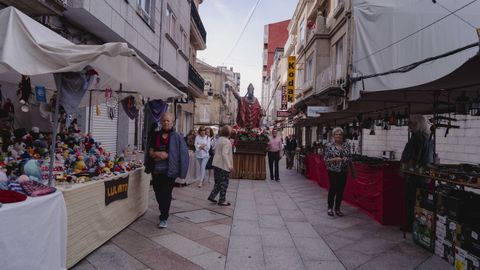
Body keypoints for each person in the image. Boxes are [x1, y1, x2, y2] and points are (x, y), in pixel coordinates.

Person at [146, 112, 189, 228]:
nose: (166, 122)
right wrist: (158, 153)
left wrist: (169, 156)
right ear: (161, 122)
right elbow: (149, 151)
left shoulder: (177, 137)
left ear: (172, 122)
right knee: (158, 193)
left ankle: (164, 217)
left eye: (168, 121)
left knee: (166, 193)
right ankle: (163, 209)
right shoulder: (155, 135)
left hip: (170, 171)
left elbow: (183, 155)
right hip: (156, 170)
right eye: (164, 120)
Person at [400, 114, 433, 231]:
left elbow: (414, 157)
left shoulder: (418, 136)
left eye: (410, 123)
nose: (409, 126)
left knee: (411, 201)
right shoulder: (427, 136)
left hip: (416, 176)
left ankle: (410, 225)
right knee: (418, 201)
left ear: (416, 124)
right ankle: (415, 225)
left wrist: (406, 171)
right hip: (423, 176)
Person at [324, 127, 351, 217]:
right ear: (333, 135)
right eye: (336, 134)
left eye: (340, 134)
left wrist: (346, 158)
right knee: (333, 188)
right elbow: (325, 159)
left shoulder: (346, 145)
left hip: (343, 170)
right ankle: (330, 207)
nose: (338, 136)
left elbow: (350, 157)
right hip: (333, 170)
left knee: (341, 190)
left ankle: (338, 208)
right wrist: (335, 159)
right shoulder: (329, 145)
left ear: (342, 136)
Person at [208, 125, 234, 206]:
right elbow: (224, 154)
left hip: (216, 164)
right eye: (231, 130)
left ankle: (212, 196)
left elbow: (214, 149)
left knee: (218, 182)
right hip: (223, 165)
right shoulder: (227, 141)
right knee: (224, 183)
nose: (232, 130)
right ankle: (222, 200)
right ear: (228, 132)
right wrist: (229, 165)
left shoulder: (219, 139)